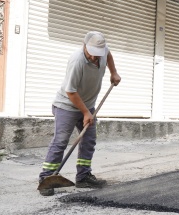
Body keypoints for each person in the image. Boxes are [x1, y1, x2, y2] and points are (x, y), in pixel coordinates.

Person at [38, 31, 121, 196]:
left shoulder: (103, 51)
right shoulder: (77, 61)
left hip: (88, 105)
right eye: (91, 54)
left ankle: (83, 177)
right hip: (66, 106)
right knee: (60, 141)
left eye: (97, 55)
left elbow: (109, 55)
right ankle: (46, 179)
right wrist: (85, 113)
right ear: (85, 46)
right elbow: (70, 91)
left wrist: (113, 72)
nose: (94, 58)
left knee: (88, 141)